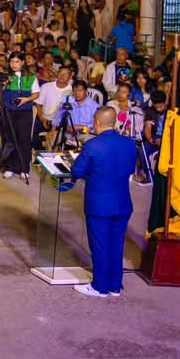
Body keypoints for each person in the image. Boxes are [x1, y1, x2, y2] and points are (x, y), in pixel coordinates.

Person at [69, 107, 133, 298]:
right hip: (122, 203)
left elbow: (76, 171)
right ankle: (115, 285)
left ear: (97, 121)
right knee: (117, 244)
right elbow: (130, 169)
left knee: (100, 245)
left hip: (99, 204)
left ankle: (99, 287)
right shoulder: (129, 144)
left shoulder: (92, 145)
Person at [0, 52, 39, 181]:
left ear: (22, 62)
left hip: (25, 112)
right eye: (11, 62)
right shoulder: (5, 75)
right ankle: (10, 167)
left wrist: (26, 99)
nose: (14, 64)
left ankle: (24, 169)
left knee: (24, 140)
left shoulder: (31, 77)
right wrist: (4, 83)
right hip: (8, 111)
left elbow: (36, 94)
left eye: (17, 62)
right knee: (9, 139)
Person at [51, 79, 99, 148]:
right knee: (52, 139)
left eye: (80, 90)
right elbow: (57, 118)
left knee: (90, 143)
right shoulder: (68, 102)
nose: (77, 93)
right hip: (68, 133)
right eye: (74, 91)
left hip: (86, 133)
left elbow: (94, 127)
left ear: (86, 92)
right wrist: (52, 131)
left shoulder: (94, 106)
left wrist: (79, 127)